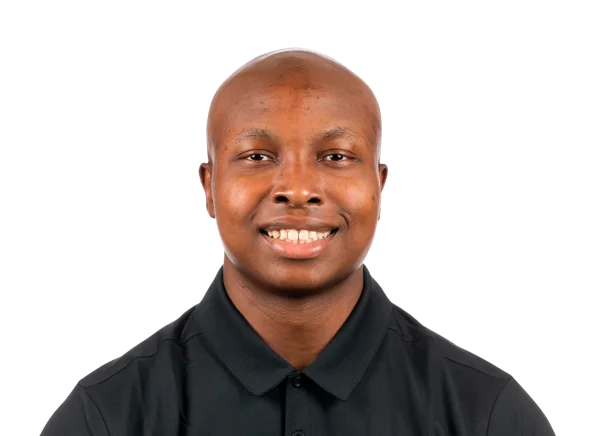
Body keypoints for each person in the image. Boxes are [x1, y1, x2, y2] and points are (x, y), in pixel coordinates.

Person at [42, 49, 555, 435]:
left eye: (335, 156)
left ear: (379, 186)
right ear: (209, 188)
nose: (298, 188)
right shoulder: (106, 417)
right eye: (257, 156)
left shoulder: (486, 415)